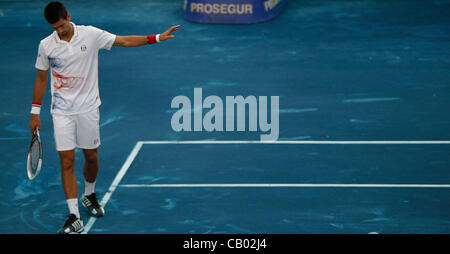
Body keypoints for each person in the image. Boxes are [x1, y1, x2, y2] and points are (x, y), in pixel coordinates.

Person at [29, 1, 179, 234]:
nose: (59, 31)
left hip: (88, 109)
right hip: (61, 112)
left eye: (61, 25)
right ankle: (74, 216)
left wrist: (157, 37)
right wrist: (34, 113)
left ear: (68, 16)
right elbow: (41, 78)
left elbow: (124, 40)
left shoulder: (91, 35)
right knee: (66, 161)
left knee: (91, 157)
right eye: (55, 27)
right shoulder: (46, 46)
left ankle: (89, 195)